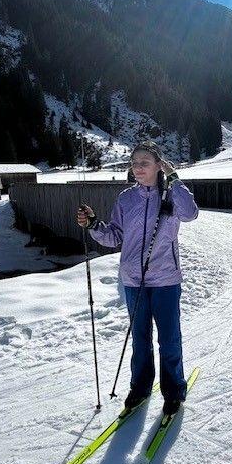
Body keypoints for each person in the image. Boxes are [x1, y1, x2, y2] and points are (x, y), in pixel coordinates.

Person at [76, 141, 198, 415]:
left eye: (145, 163)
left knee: (169, 339)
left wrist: (174, 179)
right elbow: (115, 236)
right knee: (140, 339)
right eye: (134, 163)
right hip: (133, 279)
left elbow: (190, 213)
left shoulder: (172, 195)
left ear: (159, 165)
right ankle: (140, 388)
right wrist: (94, 224)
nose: (138, 168)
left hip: (165, 279)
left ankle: (173, 391)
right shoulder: (126, 198)